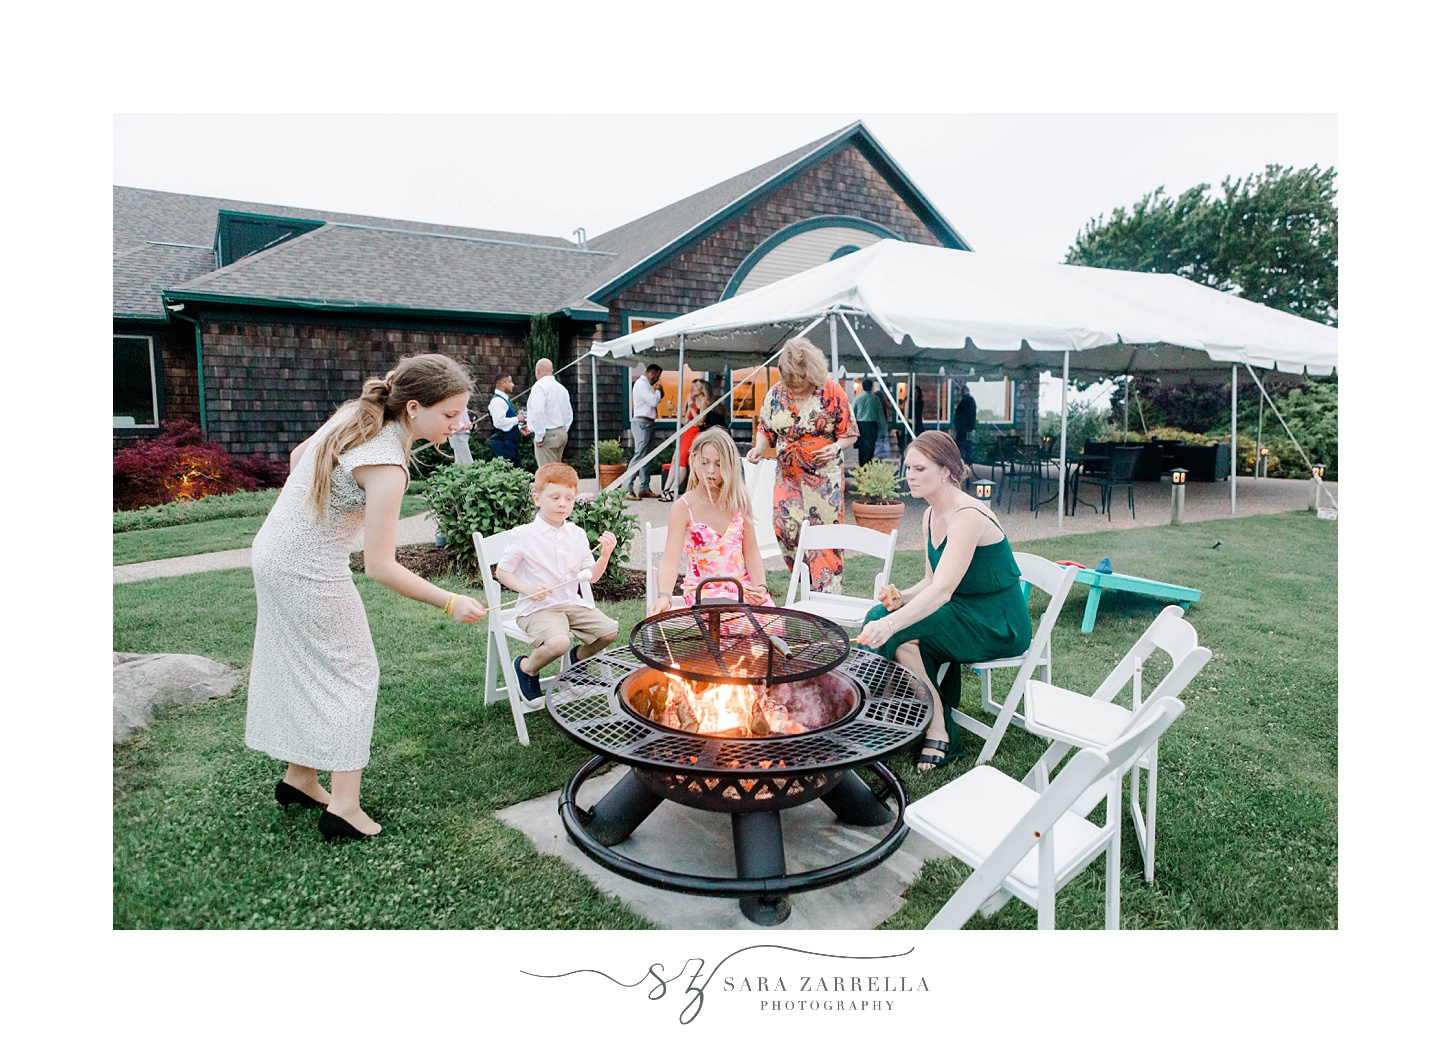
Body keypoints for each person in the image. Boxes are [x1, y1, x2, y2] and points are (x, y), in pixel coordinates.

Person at [245, 354, 487, 840]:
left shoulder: (354, 416)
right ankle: (344, 808)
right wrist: (449, 601)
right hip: (308, 569)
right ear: (414, 408)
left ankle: (300, 778)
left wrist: (330, 512)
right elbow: (380, 566)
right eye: (449, 414)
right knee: (355, 673)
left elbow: (298, 458)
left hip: (272, 553)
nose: (458, 425)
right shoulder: (388, 462)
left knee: (307, 668)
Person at [855, 431, 1031, 772]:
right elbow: (931, 581)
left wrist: (890, 623)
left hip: (996, 621)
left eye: (920, 469)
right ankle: (918, 719)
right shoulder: (929, 515)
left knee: (890, 627)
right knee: (892, 626)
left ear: (947, 470)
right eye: (907, 468)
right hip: (959, 609)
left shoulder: (967, 516)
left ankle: (890, 717)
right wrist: (901, 598)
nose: (910, 475)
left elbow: (943, 590)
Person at [497, 462, 620, 707]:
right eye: (554, 497)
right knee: (559, 642)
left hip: (570, 604)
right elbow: (502, 573)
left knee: (609, 631)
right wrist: (527, 588)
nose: (562, 504)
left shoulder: (576, 534)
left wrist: (605, 555)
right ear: (537, 498)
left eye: (569, 498)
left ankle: (578, 661)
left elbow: (591, 576)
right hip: (537, 608)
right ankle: (526, 668)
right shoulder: (523, 535)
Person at [746, 337, 858, 594]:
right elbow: (766, 427)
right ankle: (805, 580)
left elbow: (849, 432)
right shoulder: (776, 393)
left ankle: (826, 596)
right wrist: (760, 447)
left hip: (823, 479)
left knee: (824, 539)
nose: (795, 386)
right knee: (784, 529)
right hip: (788, 476)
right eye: (791, 380)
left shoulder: (831, 392)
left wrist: (836, 447)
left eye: (800, 380)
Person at [650, 428, 774, 616]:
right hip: (704, 592)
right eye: (704, 463)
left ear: (729, 465)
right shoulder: (684, 507)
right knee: (736, 622)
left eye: (718, 464)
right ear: (693, 461)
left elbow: (751, 550)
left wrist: (760, 587)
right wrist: (664, 595)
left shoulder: (739, 502)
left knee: (773, 626)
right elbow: (670, 558)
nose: (710, 470)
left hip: (741, 587)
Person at [525, 358, 572, 466]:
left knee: (548, 475)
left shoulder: (539, 386)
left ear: (537, 371)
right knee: (556, 473)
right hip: (561, 433)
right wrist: (563, 430)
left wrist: (539, 436)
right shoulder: (562, 388)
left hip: (547, 435)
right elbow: (569, 414)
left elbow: (538, 412)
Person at [628, 363, 663, 499]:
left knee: (647, 456)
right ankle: (627, 488)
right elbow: (653, 401)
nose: (657, 380)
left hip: (647, 422)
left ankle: (644, 487)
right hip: (642, 423)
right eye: (657, 376)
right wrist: (658, 391)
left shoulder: (645, 385)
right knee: (639, 455)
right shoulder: (642, 384)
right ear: (652, 373)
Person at [487, 371, 522, 465]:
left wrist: (518, 428)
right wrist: (517, 419)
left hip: (509, 442)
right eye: (510, 382)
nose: (513, 385)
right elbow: (499, 422)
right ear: (503, 383)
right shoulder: (497, 401)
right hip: (503, 443)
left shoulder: (504, 399)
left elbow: (507, 420)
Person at [851, 376, 886, 465]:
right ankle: (868, 466)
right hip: (872, 425)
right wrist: (883, 432)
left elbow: (852, 415)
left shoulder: (858, 399)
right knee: (870, 448)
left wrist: (852, 429)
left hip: (860, 425)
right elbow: (881, 416)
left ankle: (862, 467)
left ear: (863, 387)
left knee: (862, 449)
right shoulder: (876, 399)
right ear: (871, 387)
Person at [953, 386, 977, 468]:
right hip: (966, 427)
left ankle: (964, 461)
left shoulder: (967, 400)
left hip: (964, 428)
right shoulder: (969, 400)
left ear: (967, 391)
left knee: (963, 445)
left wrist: (959, 425)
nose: (961, 393)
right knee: (966, 445)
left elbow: (967, 415)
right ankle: (965, 461)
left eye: (963, 391)